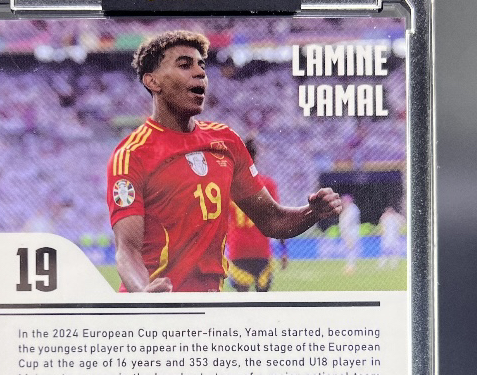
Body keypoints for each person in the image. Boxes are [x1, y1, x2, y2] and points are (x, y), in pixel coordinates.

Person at [107, 30, 341, 293]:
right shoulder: (132, 155)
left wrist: (312, 212)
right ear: (153, 81)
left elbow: (273, 220)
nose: (199, 73)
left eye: (201, 65)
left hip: (212, 305)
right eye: (185, 65)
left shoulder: (226, 141)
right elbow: (127, 251)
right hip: (159, 306)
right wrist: (143, 295)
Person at [226, 138, 287, 292]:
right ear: (255, 157)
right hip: (261, 249)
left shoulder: (229, 184)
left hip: (238, 248)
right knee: (262, 299)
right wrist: (284, 250)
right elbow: (277, 217)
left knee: (242, 300)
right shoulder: (268, 184)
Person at [339, 194, 361, 274]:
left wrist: (347, 235)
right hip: (348, 232)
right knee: (348, 250)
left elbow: (348, 222)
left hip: (351, 232)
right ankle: (350, 265)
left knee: (351, 249)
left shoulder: (352, 209)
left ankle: (351, 266)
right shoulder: (348, 209)